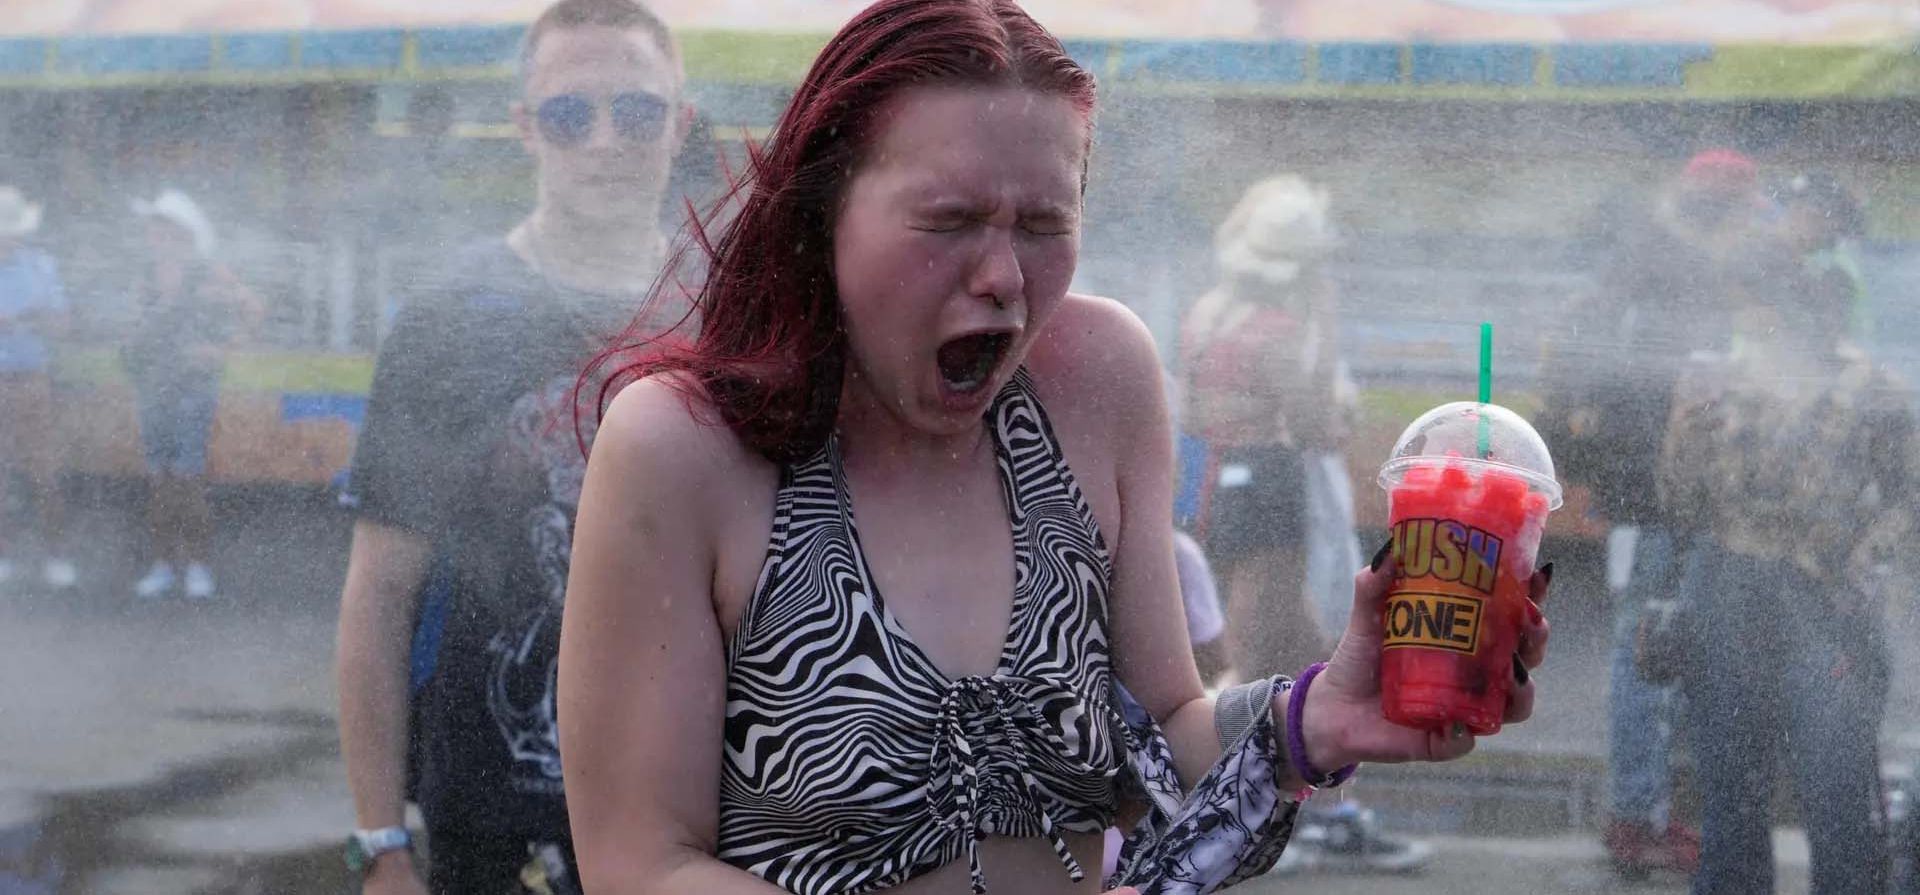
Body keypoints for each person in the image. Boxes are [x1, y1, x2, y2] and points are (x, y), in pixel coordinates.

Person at [558, 3, 1553, 894]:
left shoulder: (1100, 376)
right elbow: (641, 862)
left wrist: (1318, 717)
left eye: (1044, 222)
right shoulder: (680, 443)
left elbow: (1169, 730)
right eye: (949, 220)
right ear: (823, 209)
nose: (1003, 275)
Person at [333, 1, 690, 892]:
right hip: (494, 820)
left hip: (695, 815)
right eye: (572, 114)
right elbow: (379, 594)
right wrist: (380, 844)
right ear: (526, 130)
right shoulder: (449, 321)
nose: (606, 139)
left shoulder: (727, 312)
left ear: (679, 125)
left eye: (637, 111)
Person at [1658, 191, 1911, 895]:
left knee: (1836, 793)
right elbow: (1681, 507)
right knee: (1731, 798)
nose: (1750, 322)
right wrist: (1687, 427)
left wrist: (1869, 556)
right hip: (1727, 595)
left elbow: (1910, 503)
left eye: (1758, 305)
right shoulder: (1725, 386)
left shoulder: (1872, 392)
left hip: (1826, 603)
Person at [1178, 175, 1350, 688]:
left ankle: (1315, 747)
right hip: (1267, 481)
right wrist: (1328, 336)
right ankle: (1226, 746)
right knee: (1252, 643)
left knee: (1292, 634)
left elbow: (1189, 411)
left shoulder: (1207, 314)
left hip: (1208, 477)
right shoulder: (1279, 333)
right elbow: (1313, 425)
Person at [121, 188, 260, 601]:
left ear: (181, 233)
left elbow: (253, 308)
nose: (153, 235)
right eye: (152, 228)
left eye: (160, 227)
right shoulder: (145, 276)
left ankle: (197, 565)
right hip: (154, 386)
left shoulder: (207, 273)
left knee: (188, 478)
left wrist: (221, 350)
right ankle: (164, 565)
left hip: (192, 388)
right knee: (160, 479)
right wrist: (134, 342)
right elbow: (131, 325)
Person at [0, 186, 74, 593]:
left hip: (32, 379)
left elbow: (63, 324)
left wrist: (32, 319)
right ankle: (3, 555)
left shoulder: (40, 267)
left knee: (45, 471)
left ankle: (56, 554)